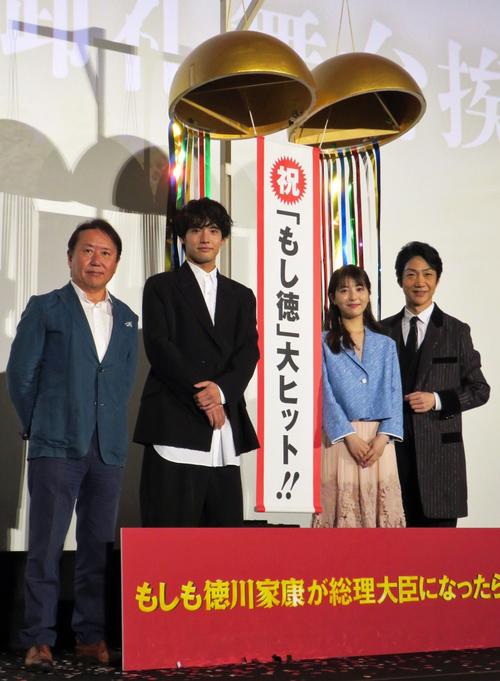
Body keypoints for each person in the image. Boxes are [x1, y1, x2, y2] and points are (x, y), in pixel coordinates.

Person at [6, 220, 138, 669]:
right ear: (70, 257)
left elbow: (121, 382)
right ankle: (38, 639)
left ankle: (90, 636)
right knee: (45, 546)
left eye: (106, 253)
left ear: (116, 263)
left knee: (97, 548)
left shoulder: (127, 318)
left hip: (108, 448)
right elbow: (21, 376)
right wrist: (40, 423)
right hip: (57, 443)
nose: (96, 259)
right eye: (87, 250)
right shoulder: (45, 307)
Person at [134, 197, 259, 527]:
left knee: (224, 538)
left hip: (223, 425)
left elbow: (248, 352)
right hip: (175, 419)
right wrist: (204, 395)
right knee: (171, 532)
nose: (205, 238)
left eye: (213, 230)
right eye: (195, 230)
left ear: (223, 239)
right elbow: (160, 347)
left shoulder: (241, 295)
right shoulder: (161, 286)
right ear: (182, 237)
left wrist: (221, 392)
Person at [382, 242, 490, 527]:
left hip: (440, 464)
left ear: (437, 279)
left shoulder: (456, 331)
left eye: (427, 274)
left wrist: (437, 400)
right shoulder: (381, 331)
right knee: (390, 549)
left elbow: (480, 390)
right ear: (400, 280)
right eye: (411, 274)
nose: (420, 282)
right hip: (391, 458)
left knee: (439, 551)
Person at [313, 265, 405, 528]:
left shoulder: (386, 345)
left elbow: (394, 393)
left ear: (368, 294)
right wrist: (349, 436)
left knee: (382, 522)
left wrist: (383, 438)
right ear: (333, 298)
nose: (353, 296)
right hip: (340, 439)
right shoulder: (321, 342)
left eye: (359, 288)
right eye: (344, 290)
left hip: (379, 443)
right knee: (342, 520)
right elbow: (324, 393)